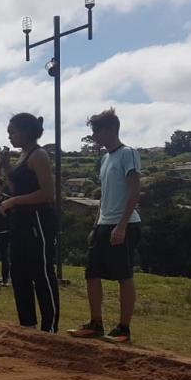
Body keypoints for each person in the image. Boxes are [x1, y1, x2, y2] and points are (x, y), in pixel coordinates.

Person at [68, 109, 141, 343]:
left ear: (109, 130)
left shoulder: (128, 154)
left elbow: (134, 191)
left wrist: (121, 226)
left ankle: (123, 329)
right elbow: (105, 195)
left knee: (123, 275)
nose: (94, 136)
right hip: (103, 223)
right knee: (92, 273)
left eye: (97, 131)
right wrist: (96, 224)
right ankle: (95, 323)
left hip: (125, 223)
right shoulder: (105, 158)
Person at [0, 113, 59, 333]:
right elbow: (18, 188)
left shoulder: (38, 155)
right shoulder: (22, 156)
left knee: (41, 273)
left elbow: (47, 193)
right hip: (20, 221)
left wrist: (13, 201)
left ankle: (50, 329)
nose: (9, 137)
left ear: (26, 132)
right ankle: (27, 325)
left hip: (38, 221)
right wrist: (6, 167)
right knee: (19, 272)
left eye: (12, 132)